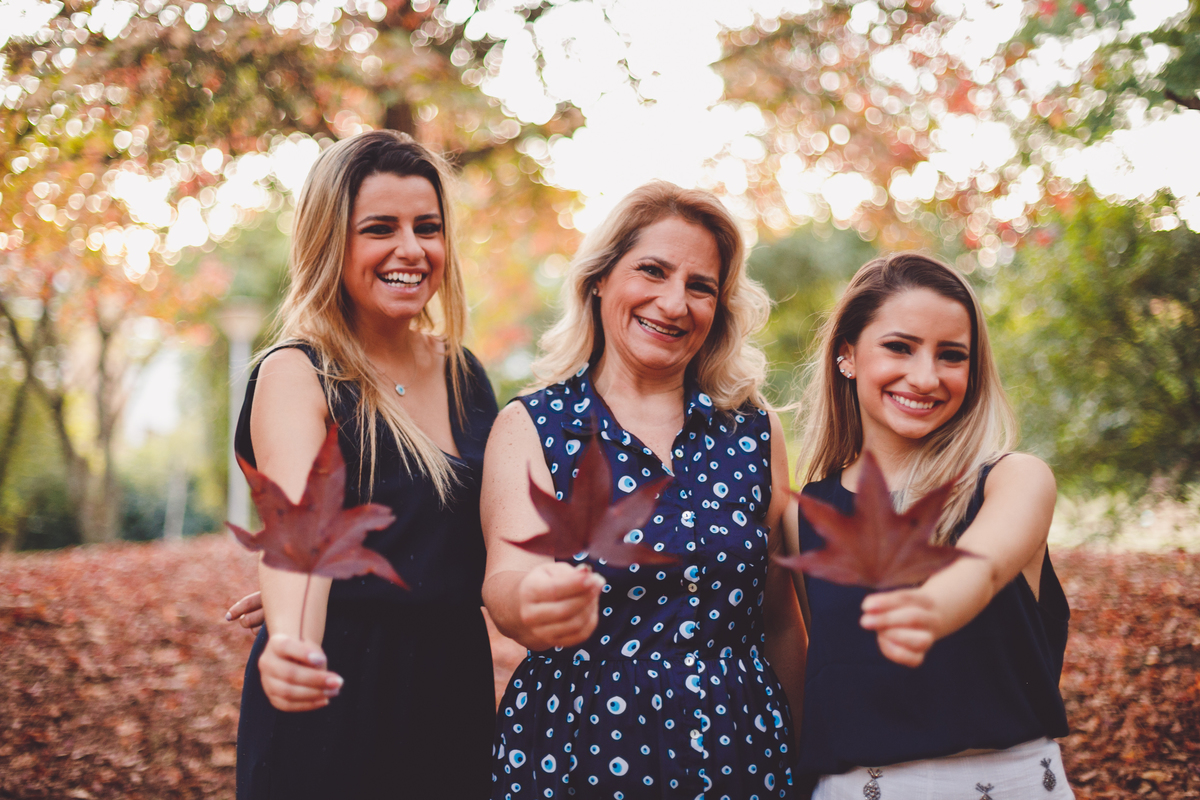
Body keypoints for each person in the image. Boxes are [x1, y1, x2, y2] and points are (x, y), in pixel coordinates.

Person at [481, 181, 807, 800]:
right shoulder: (533, 426)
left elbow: (780, 621)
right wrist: (535, 602)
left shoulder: (753, 430)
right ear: (600, 279)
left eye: (700, 286)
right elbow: (505, 582)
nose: (674, 303)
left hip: (742, 754)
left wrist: (804, 753)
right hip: (582, 753)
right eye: (652, 271)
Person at [228, 130, 498, 799]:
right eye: (380, 229)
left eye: (427, 228)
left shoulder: (465, 374)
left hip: (453, 694)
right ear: (331, 243)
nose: (412, 249)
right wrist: (292, 635)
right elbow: (299, 540)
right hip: (336, 694)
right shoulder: (298, 373)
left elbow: (480, 539)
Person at [784, 253, 1073, 798]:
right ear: (847, 355)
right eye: (900, 347)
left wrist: (934, 605)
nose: (925, 377)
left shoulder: (1014, 479)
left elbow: (984, 567)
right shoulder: (802, 518)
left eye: (951, 355)